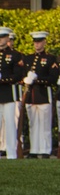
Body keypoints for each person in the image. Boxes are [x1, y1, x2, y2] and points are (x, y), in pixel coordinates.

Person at [22, 32, 58, 158]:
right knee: (33, 124)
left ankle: (45, 150)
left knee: (44, 124)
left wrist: (37, 79)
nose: (37, 44)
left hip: (43, 96)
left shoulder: (50, 58)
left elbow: (53, 78)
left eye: (39, 41)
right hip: (30, 97)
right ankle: (34, 149)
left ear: (44, 42)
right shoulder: (27, 58)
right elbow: (22, 75)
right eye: (35, 42)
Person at [0, 27, 26, 159]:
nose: (1, 41)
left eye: (3, 38)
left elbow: (17, 75)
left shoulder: (15, 55)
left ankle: (11, 153)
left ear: (7, 39)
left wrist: (3, 80)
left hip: (9, 94)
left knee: (10, 124)